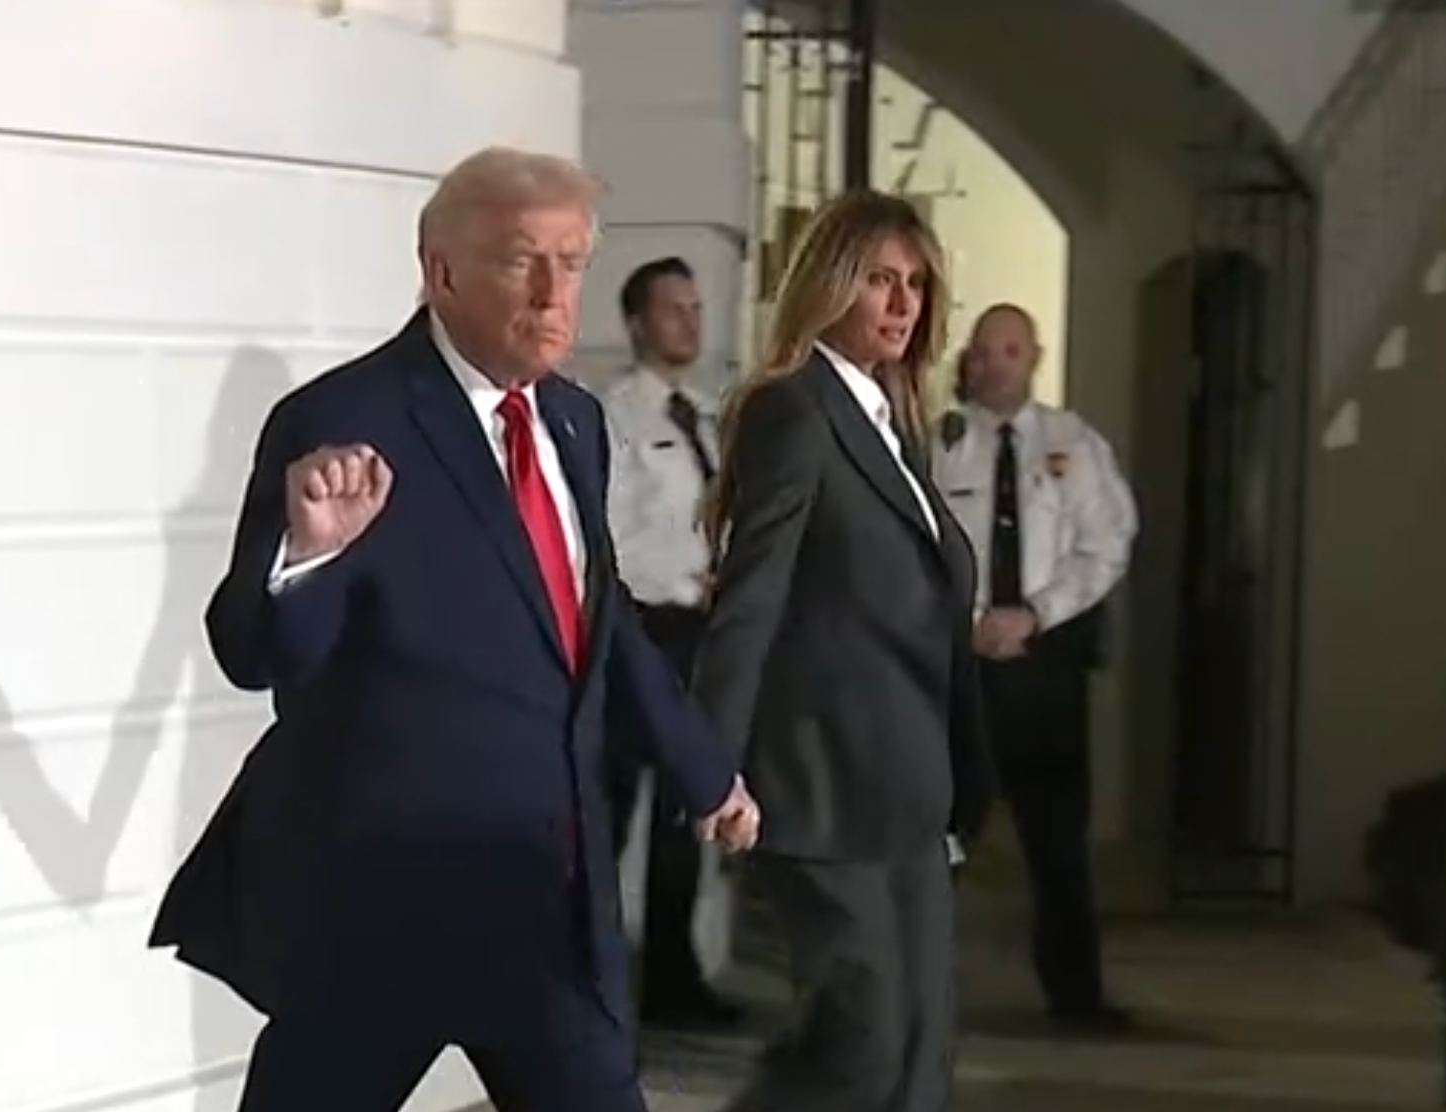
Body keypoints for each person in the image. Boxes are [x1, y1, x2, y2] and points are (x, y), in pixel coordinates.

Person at [147, 146, 761, 1112]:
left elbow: (596, 625)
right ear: (440, 272)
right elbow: (255, 654)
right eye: (522, 261)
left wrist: (701, 767)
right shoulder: (342, 417)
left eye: (573, 262)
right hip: (384, 906)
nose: (555, 293)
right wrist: (308, 554)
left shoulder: (574, 423)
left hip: (546, 899)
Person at [691, 190, 993, 1112]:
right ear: (829, 285)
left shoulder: (892, 426)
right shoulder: (795, 410)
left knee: (918, 1064)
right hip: (823, 788)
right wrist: (709, 764)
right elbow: (751, 601)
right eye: (879, 280)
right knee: (858, 1044)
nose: (902, 304)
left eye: (916, 284)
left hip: (911, 791)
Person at [933, 303, 1138, 1033]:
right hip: (963, 669)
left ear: (1035, 358)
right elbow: (921, 549)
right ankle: (916, 994)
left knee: (1058, 842)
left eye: (1012, 351)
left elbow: (1107, 543)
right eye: (986, 352)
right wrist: (972, 621)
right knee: (944, 833)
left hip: (1047, 666)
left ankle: (1076, 997)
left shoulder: (1073, 443)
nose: (997, 365)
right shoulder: (940, 445)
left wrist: (1037, 614)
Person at [598, 256, 743, 1030]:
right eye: (672, 308)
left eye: (695, 307)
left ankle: (674, 981)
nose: (689, 321)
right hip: (646, 626)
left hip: (707, 636)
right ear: (636, 323)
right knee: (613, 807)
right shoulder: (616, 417)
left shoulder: (713, 416)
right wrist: (688, 579)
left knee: (691, 808)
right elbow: (609, 540)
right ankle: (594, 981)